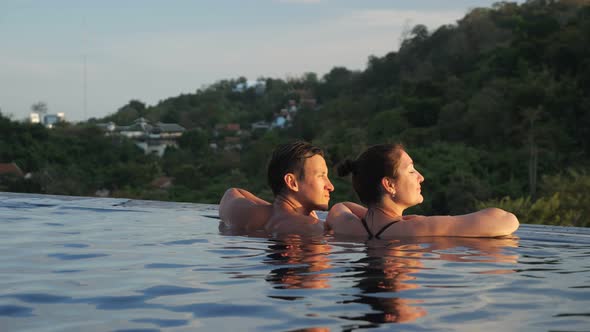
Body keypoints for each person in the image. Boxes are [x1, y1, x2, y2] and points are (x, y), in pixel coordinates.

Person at [326, 143, 519, 238]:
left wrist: (385, 217)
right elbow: (506, 220)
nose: (420, 177)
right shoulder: (418, 227)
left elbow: (341, 206)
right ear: (389, 185)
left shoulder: (347, 225)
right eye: (411, 170)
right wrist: (408, 221)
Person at [219, 141, 335, 236]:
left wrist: (282, 209)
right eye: (321, 176)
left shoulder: (250, 215)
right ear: (292, 182)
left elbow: (232, 193)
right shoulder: (315, 228)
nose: (330, 186)